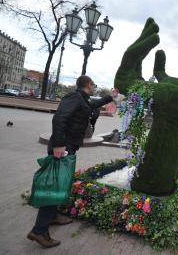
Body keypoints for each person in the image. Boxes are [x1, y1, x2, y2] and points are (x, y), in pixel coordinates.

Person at [27, 75, 117, 248]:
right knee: (55, 186)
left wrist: (110, 96)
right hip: (62, 147)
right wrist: (59, 144)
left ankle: (53, 215)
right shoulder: (74, 98)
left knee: (60, 183)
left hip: (68, 146)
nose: (94, 88)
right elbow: (59, 118)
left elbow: (93, 105)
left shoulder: (83, 99)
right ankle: (39, 231)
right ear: (88, 85)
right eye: (93, 85)